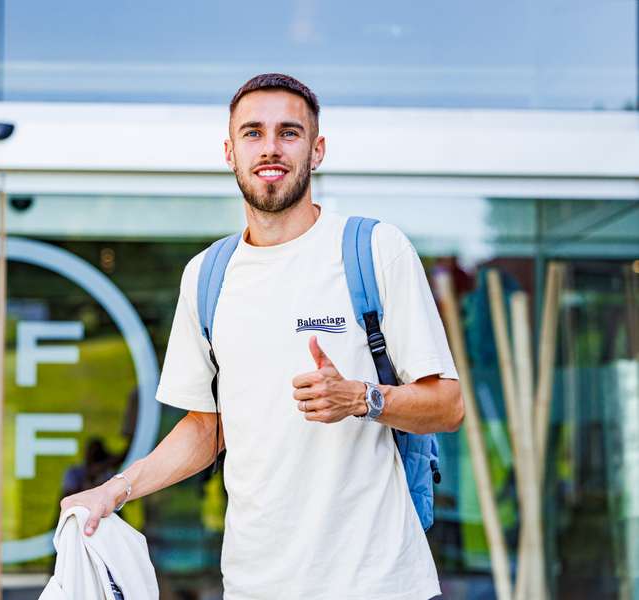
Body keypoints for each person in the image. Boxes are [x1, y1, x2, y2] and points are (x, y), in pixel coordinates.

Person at [61, 73, 464, 599]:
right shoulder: (208, 275)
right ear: (229, 151)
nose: (270, 147)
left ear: (316, 150)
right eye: (252, 133)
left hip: (379, 582)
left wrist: (362, 398)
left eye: (289, 133)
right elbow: (206, 429)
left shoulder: (374, 250)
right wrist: (114, 491)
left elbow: (448, 405)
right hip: (256, 584)